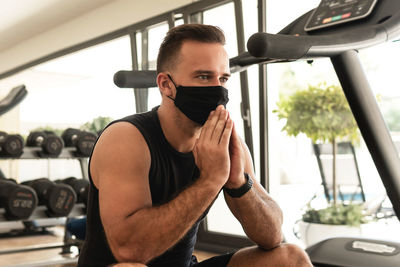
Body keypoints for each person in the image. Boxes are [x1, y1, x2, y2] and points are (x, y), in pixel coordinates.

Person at [78, 24, 312, 267]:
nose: (217, 88)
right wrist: (210, 181)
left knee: (290, 258)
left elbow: (272, 235)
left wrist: (237, 182)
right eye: (203, 77)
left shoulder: (227, 142)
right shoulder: (126, 139)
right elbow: (129, 250)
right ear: (166, 85)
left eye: (222, 78)